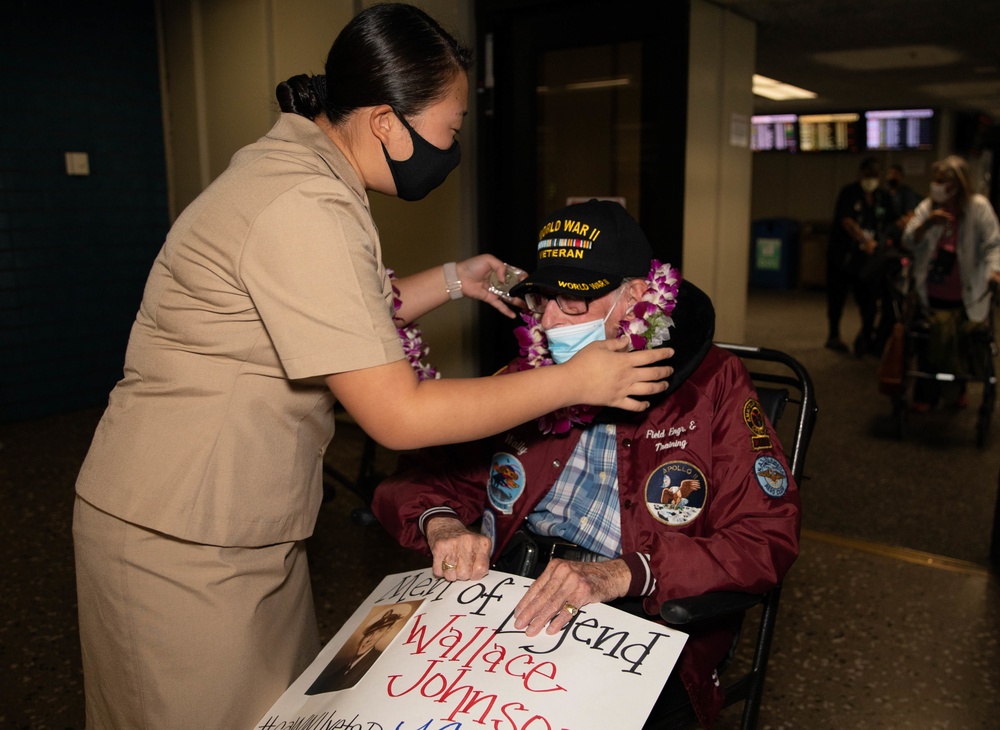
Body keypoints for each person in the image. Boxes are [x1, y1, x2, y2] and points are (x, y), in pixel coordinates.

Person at [70, 6, 673, 729]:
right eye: (449, 127)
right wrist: (579, 380)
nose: (451, 147)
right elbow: (397, 413)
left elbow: (331, 314)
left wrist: (454, 278)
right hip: (182, 533)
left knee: (278, 711)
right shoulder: (305, 203)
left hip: (234, 515)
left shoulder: (298, 173)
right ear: (388, 121)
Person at [372, 199, 801, 729]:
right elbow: (419, 477)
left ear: (637, 298)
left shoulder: (712, 385)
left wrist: (623, 573)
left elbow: (765, 537)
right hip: (507, 586)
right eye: (541, 299)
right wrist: (443, 523)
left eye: (573, 303)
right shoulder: (528, 376)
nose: (550, 322)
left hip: (637, 604)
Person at [903, 155, 1000, 410]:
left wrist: (995, 272)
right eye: (935, 180)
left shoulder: (978, 207)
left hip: (968, 291)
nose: (937, 185)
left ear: (958, 183)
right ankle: (926, 394)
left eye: (942, 181)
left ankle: (957, 391)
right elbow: (908, 240)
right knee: (930, 341)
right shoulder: (929, 207)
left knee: (960, 341)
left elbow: (993, 245)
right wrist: (927, 224)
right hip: (931, 290)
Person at [825, 156, 897, 356]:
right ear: (860, 174)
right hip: (843, 256)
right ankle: (833, 335)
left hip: (868, 261)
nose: (871, 179)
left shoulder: (883, 196)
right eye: (868, 175)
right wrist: (863, 239)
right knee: (836, 298)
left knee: (869, 301)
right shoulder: (849, 193)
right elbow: (846, 220)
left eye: (875, 175)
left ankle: (866, 337)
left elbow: (893, 220)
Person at [305, 607, 408, 694]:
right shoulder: (336, 673)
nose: (370, 639)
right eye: (370, 633)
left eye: (379, 632)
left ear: (386, 633)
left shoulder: (379, 662)